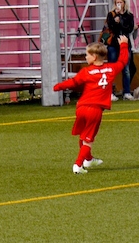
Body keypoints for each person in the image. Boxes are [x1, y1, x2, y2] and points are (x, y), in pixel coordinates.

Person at [53, 35, 129, 174]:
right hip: (94, 110)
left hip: (81, 108)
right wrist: (124, 45)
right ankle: (78, 165)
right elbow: (123, 60)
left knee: (83, 135)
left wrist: (57, 87)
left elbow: (73, 82)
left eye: (87, 55)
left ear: (94, 56)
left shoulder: (86, 72)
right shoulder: (111, 69)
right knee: (88, 140)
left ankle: (88, 159)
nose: (85, 57)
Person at [105, 0, 136, 101]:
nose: (118, 4)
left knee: (126, 69)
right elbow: (111, 27)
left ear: (124, 3)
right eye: (117, 2)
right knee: (112, 68)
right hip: (114, 44)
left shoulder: (129, 15)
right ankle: (110, 93)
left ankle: (127, 92)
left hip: (124, 44)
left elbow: (129, 28)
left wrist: (121, 20)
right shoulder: (111, 14)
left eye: (120, 2)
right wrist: (116, 20)